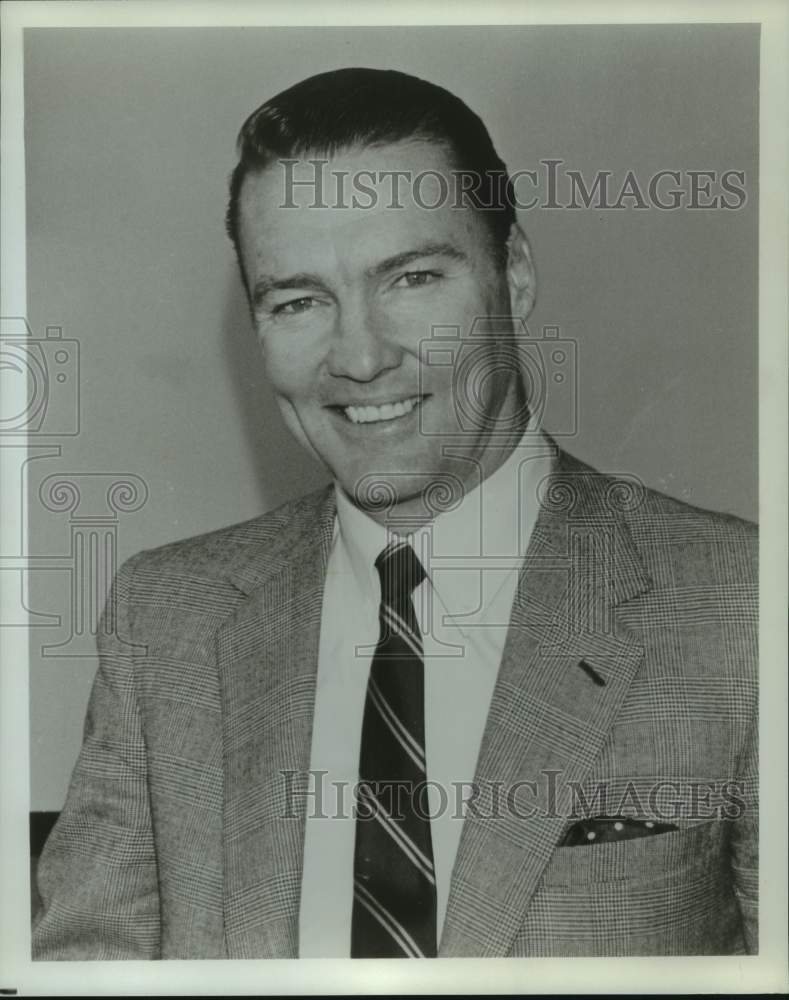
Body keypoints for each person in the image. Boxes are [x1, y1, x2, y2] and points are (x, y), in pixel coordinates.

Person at [32, 67, 757, 959]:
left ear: (514, 273)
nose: (359, 356)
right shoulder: (166, 621)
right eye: (299, 301)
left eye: (411, 278)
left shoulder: (740, 609)